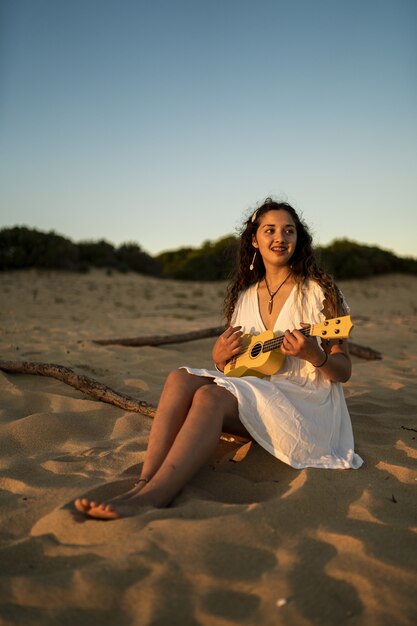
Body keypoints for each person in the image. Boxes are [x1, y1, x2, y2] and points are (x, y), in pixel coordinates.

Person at [75, 198, 363, 519]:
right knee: (179, 378)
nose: (280, 238)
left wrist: (315, 355)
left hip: (304, 408)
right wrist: (219, 358)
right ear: (254, 240)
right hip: (259, 399)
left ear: (299, 239)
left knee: (211, 396)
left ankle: (156, 495)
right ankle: (144, 481)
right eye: (270, 230)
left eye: (289, 231)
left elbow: (344, 371)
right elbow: (238, 367)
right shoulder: (245, 296)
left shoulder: (320, 293)